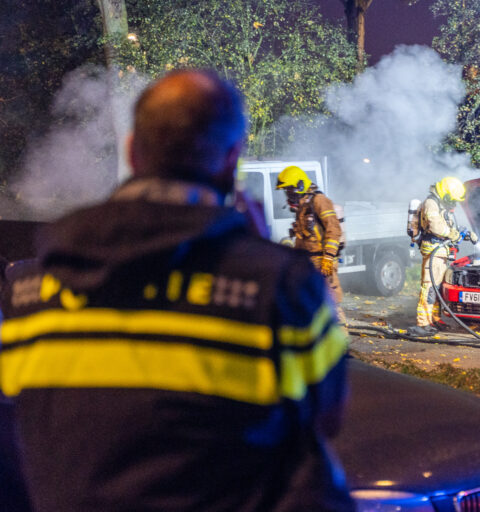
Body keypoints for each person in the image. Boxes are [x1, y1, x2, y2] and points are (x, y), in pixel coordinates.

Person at [0, 70, 354, 511]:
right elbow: (325, 418)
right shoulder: (278, 287)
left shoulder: (26, 294)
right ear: (232, 159)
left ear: (132, 150)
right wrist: (263, 260)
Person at [276, 165, 346, 325]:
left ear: (300, 185)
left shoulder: (319, 201)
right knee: (310, 304)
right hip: (307, 263)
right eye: (286, 190)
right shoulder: (303, 205)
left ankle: (340, 343)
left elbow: (334, 229)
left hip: (322, 261)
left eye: (290, 189)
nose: (288, 193)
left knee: (330, 303)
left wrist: (328, 257)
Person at [408, 176, 477, 337]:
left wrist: (466, 234)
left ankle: (434, 319)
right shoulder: (431, 203)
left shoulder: (441, 204)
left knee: (437, 288)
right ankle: (422, 324)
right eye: (451, 198)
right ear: (445, 192)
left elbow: (448, 225)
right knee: (429, 288)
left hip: (441, 252)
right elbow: (436, 227)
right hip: (433, 251)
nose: (453, 202)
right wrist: (454, 235)